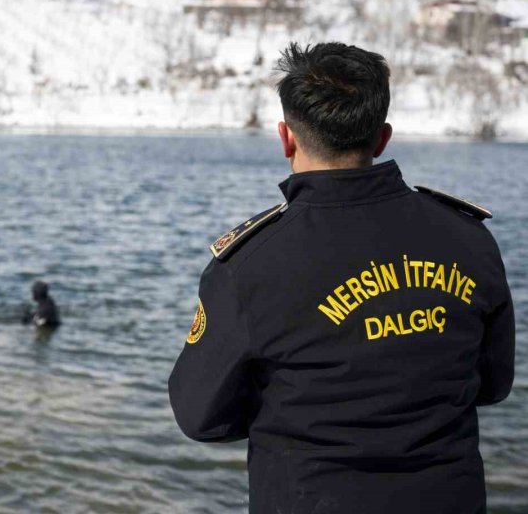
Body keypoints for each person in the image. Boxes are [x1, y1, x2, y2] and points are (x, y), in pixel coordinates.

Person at [168, 42, 514, 514]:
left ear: (286, 137)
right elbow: (493, 384)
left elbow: (200, 417)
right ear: (382, 137)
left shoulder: (251, 265)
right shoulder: (468, 238)